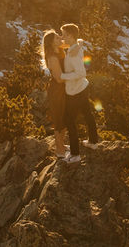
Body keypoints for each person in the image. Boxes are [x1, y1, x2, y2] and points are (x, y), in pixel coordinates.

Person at [58, 22, 99, 163]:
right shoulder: (75, 47)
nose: (62, 37)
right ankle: (93, 142)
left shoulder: (74, 53)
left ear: (70, 36)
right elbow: (78, 40)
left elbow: (81, 72)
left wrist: (63, 76)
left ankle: (75, 155)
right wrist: (79, 43)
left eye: (63, 35)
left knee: (69, 120)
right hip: (82, 88)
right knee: (87, 114)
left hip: (74, 91)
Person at [41, 29, 68, 158]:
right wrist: (75, 76)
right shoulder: (52, 56)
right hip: (57, 90)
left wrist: (64, 37)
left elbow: (71, 42)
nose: (61, 39)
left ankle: (61, 144)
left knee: (66, 118)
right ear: (52, 43)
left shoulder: (59, 50)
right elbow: (59, 78)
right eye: (57, 38)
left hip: (65, 88)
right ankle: (59, 150)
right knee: (59, 120)